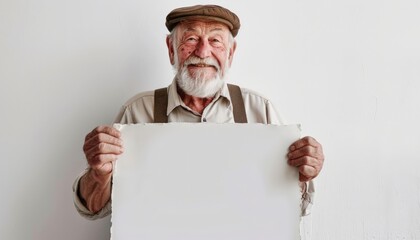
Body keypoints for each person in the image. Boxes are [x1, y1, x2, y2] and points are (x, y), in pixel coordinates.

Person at [73, 4, 325, 220]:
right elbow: (94, 209)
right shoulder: (137, 111)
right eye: (191, 39)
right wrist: (99, 173)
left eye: (215, 40)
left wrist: (301, 175)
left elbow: (294, 209)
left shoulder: (259, 110)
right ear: (171, 49)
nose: (203, 52)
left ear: (230, 53)